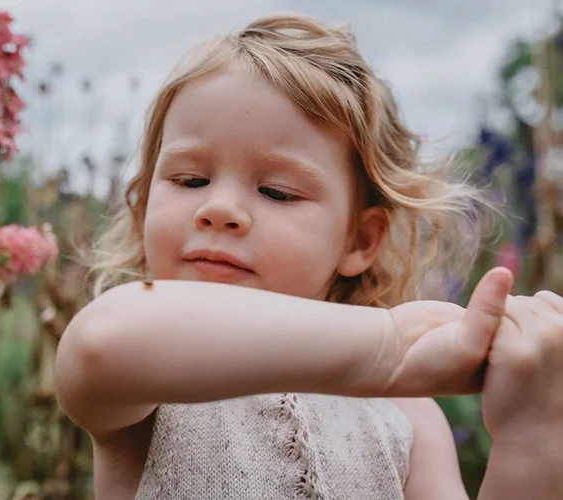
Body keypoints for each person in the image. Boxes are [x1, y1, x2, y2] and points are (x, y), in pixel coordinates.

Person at [54, 13, 563, 499]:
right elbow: (102, 340)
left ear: (359, 241)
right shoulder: (150, 382)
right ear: (143, 207)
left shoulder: (410, 416)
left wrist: (530, 445)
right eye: (190, 180)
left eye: (276, 192)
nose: (219, 208)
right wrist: (388, 349)